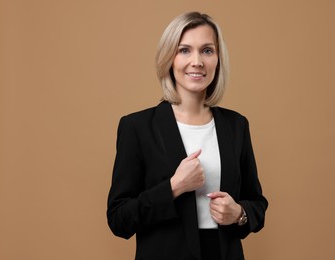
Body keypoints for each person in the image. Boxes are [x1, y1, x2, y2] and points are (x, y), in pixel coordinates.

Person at [107, 11, 268, 260]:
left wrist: (239, 213)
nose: (197, 61)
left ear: (218, 59)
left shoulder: (236, 126)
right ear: (169, 58)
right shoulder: (137, 127)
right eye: (184, 50)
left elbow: (257, 204)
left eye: (207, 50)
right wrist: (173, 187)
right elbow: (119, 219)